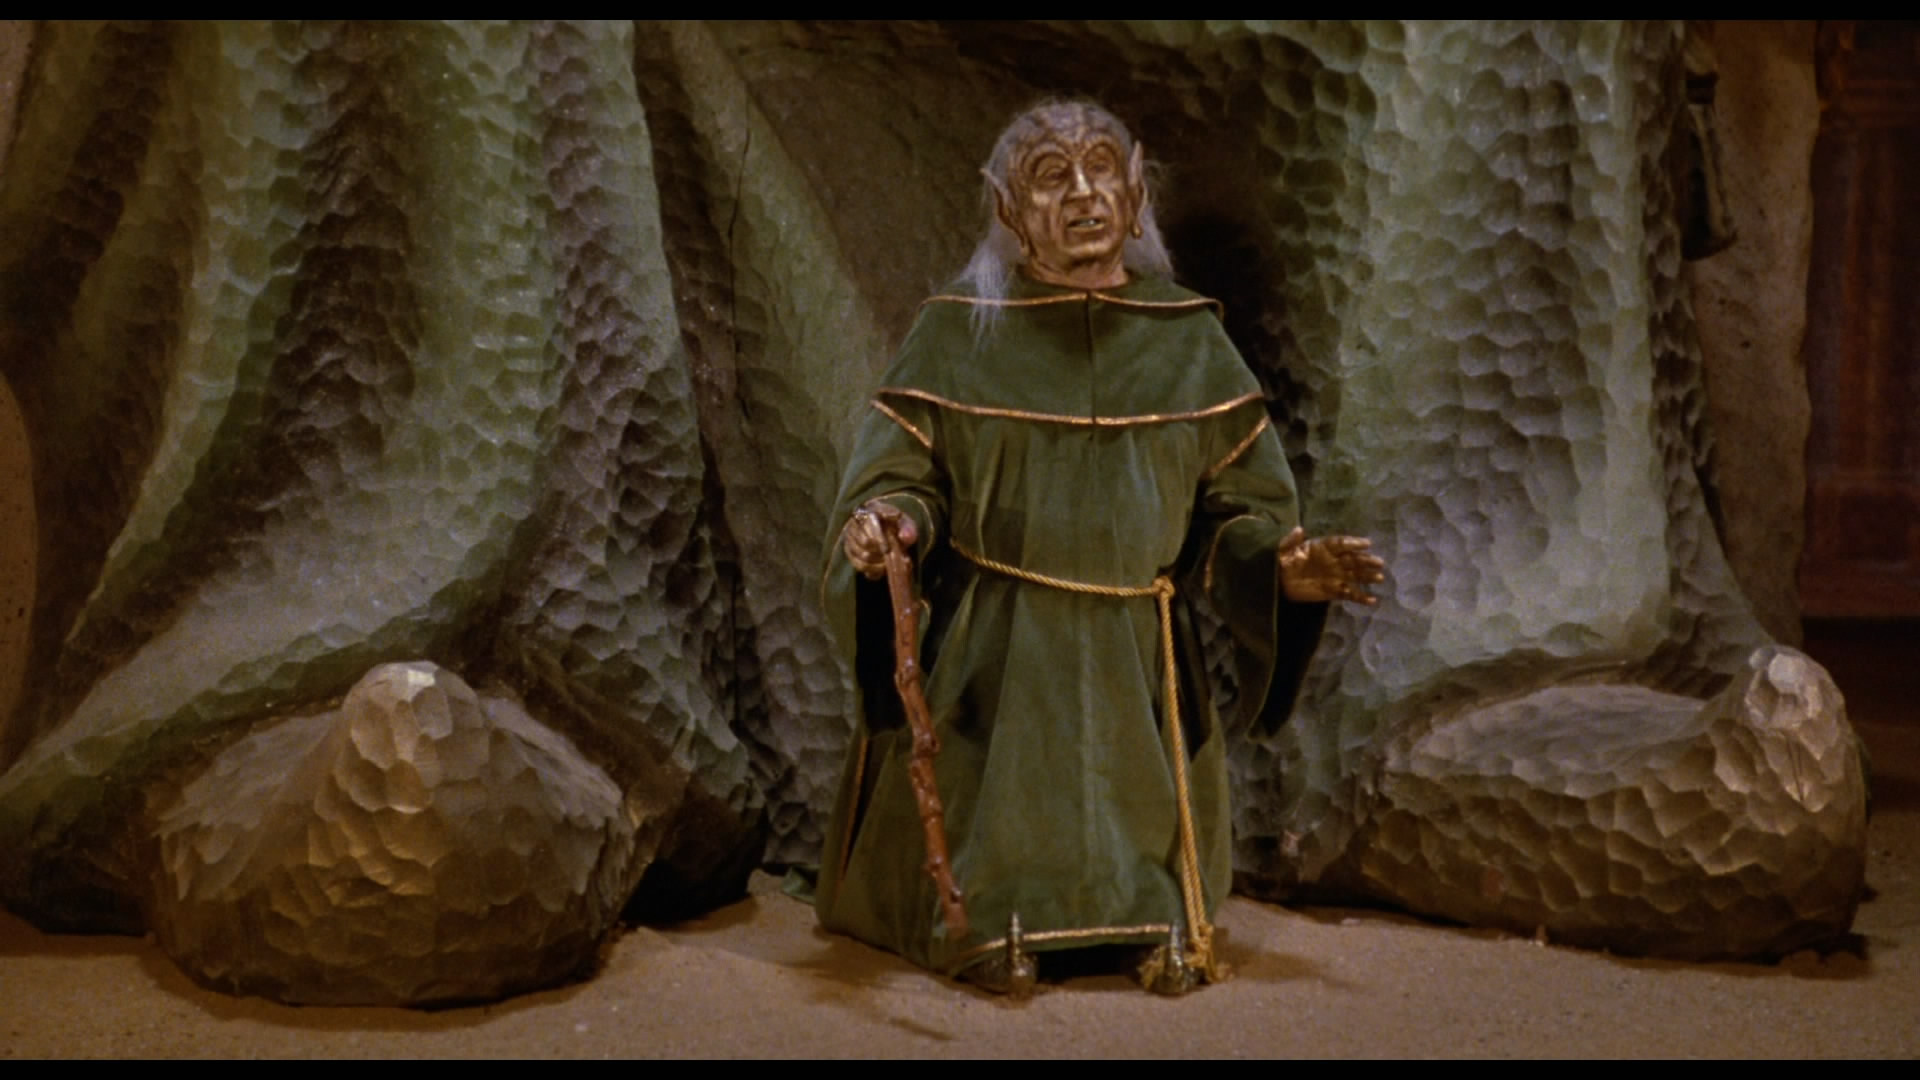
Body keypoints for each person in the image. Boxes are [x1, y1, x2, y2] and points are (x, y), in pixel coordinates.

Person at [814, 99, 1383, 995]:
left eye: (1103, 169)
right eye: (1052, 177)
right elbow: (903, 476)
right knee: (1001, 808)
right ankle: (996, 926)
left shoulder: (1188, 340)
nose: (1084, 193)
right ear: (1007, 208)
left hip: (1138, 652)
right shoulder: (957, 334)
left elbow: (1235, 511)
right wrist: (890, 525)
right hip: (1000, 651)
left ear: (1137, 186)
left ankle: (1152, 925)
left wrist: (1280, 569)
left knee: (1140, 814)